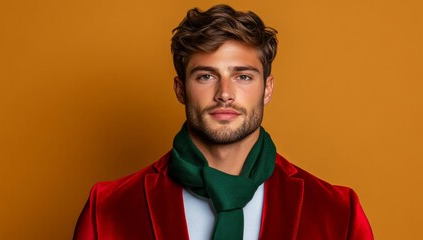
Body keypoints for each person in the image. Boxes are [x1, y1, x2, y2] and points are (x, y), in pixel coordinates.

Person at [73, 4, 373, 240]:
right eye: (206, 76)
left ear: (267, 88)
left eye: (242, 76)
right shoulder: (108, 209)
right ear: (180, 89)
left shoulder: (336, 213)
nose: (225, 94)